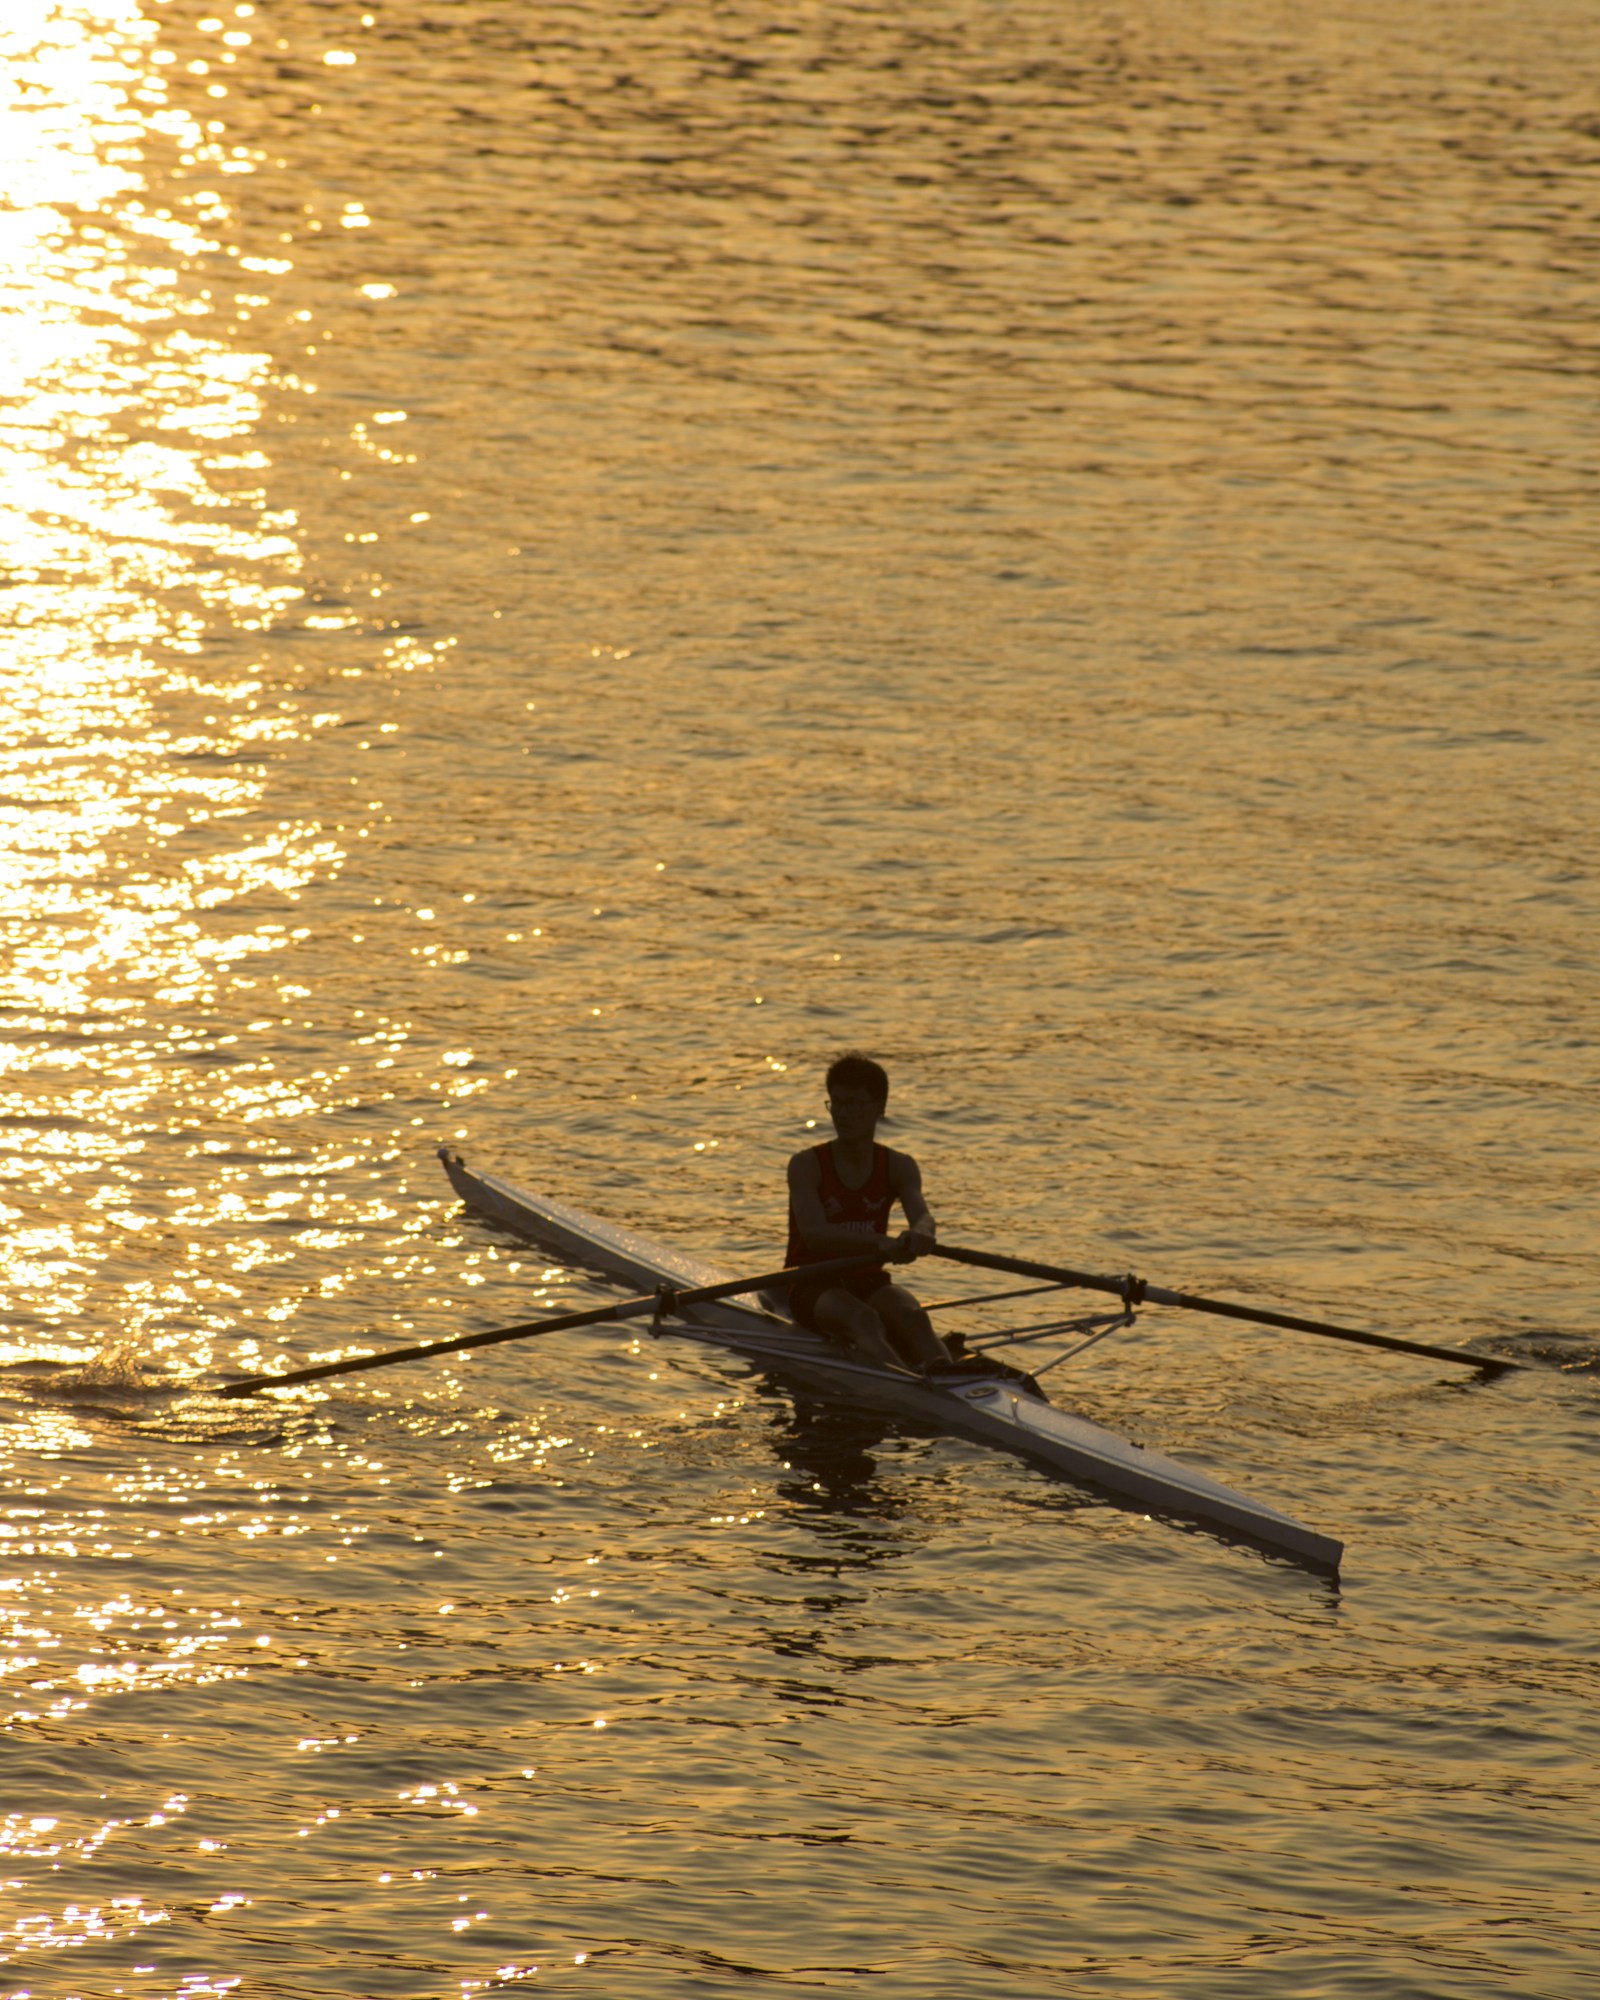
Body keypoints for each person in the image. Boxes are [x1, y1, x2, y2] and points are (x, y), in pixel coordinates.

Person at [784, 1053, 953, 1373]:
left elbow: (922, 1216)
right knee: (863, 1319)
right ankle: (909, 1392)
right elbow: (815, 1236)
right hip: (811, 1282)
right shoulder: (806, 1165)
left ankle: (949, 1378)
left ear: (880, 1108)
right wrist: (878, 1243)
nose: (843, 1114)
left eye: (855, 1104)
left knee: (914, 1318)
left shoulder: (899, 1166)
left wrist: (920, 1234)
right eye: (837, 1103)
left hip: (868, 1278)